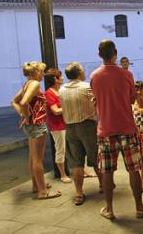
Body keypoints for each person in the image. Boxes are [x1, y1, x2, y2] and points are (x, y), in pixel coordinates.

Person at [90, 39, 143, 220]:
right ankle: (139, 207)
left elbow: (96, 99)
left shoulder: (94, 76)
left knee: (107, 170)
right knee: (133, 168)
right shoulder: (126, 75)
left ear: (99, 55)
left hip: (105, 129)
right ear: (116, 53)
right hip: (127, 128)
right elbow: (130, 101)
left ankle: (109, 209)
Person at [11, 62, 62, 200]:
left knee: (33, 157)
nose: (43, 74)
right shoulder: (34, 84)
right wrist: (27, 117)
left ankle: (36, 185)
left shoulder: (28, 83)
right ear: (35, 72)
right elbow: (23, 102)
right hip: (37, 124)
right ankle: (42, 191)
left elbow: (14, 101)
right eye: (41, 71)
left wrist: (24, 116)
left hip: (31, 125)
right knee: (38, 159)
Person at [59, 62, 101, 206]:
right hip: (88, 126)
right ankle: (104, 185)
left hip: (70, 128)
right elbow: (98, 102)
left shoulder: (62, 89)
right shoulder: (87, 87)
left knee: (76, 162)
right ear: (79, 73)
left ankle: (79, 193)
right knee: (96, 156)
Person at [44, 68, 72, 184]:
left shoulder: (61, 90)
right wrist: (69, 108)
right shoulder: (49, 93)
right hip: (57, 126)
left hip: (66, 123)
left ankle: (81, 171)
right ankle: (63, 174)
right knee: (61, 149)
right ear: (55, 79)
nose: (62, 78)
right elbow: (55, 111)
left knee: (72, 149)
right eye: (60, 76)